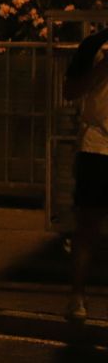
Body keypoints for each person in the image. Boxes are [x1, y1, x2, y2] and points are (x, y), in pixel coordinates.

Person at [62, 25, 108, 322]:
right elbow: (70, 91)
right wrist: (103, 67)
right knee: (87, 226)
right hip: (98, 148)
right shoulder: (95, 44)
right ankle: (77, 296)